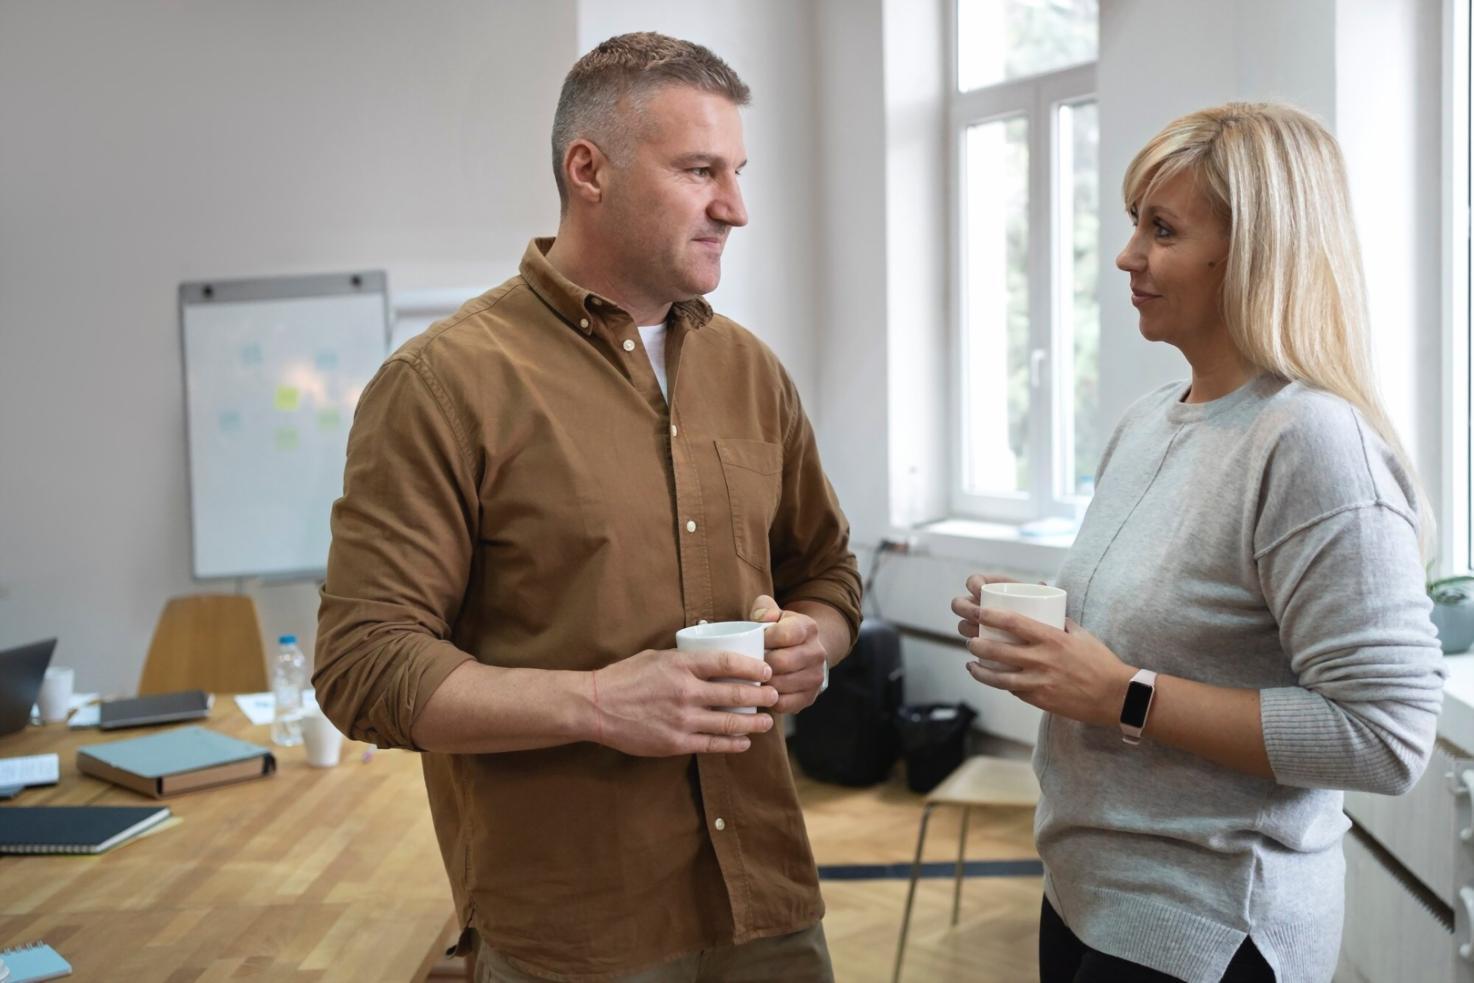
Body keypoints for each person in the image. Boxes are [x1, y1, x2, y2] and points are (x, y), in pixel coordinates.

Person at [314, 32, 860, 982]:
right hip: (575, 932)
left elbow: (828, 574)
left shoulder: (750, 370)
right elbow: (366, 664)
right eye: (700, 171)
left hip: (766, 901)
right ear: (588, 169)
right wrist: (602, 701)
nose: (736, 207)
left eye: (735, 171)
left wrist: (816, 639)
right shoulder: (443, 384)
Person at [951, 102, 1445, 983]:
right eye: (1134, 224)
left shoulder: (1312, 442)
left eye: (1162, 229)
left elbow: (1386, 732)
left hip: (1209, 924)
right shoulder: (1149, 422)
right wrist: (1050, 632)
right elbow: (1184, 627)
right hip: (1084, 888)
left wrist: (1124, 695)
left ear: (1255, 249)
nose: (1127, 256)